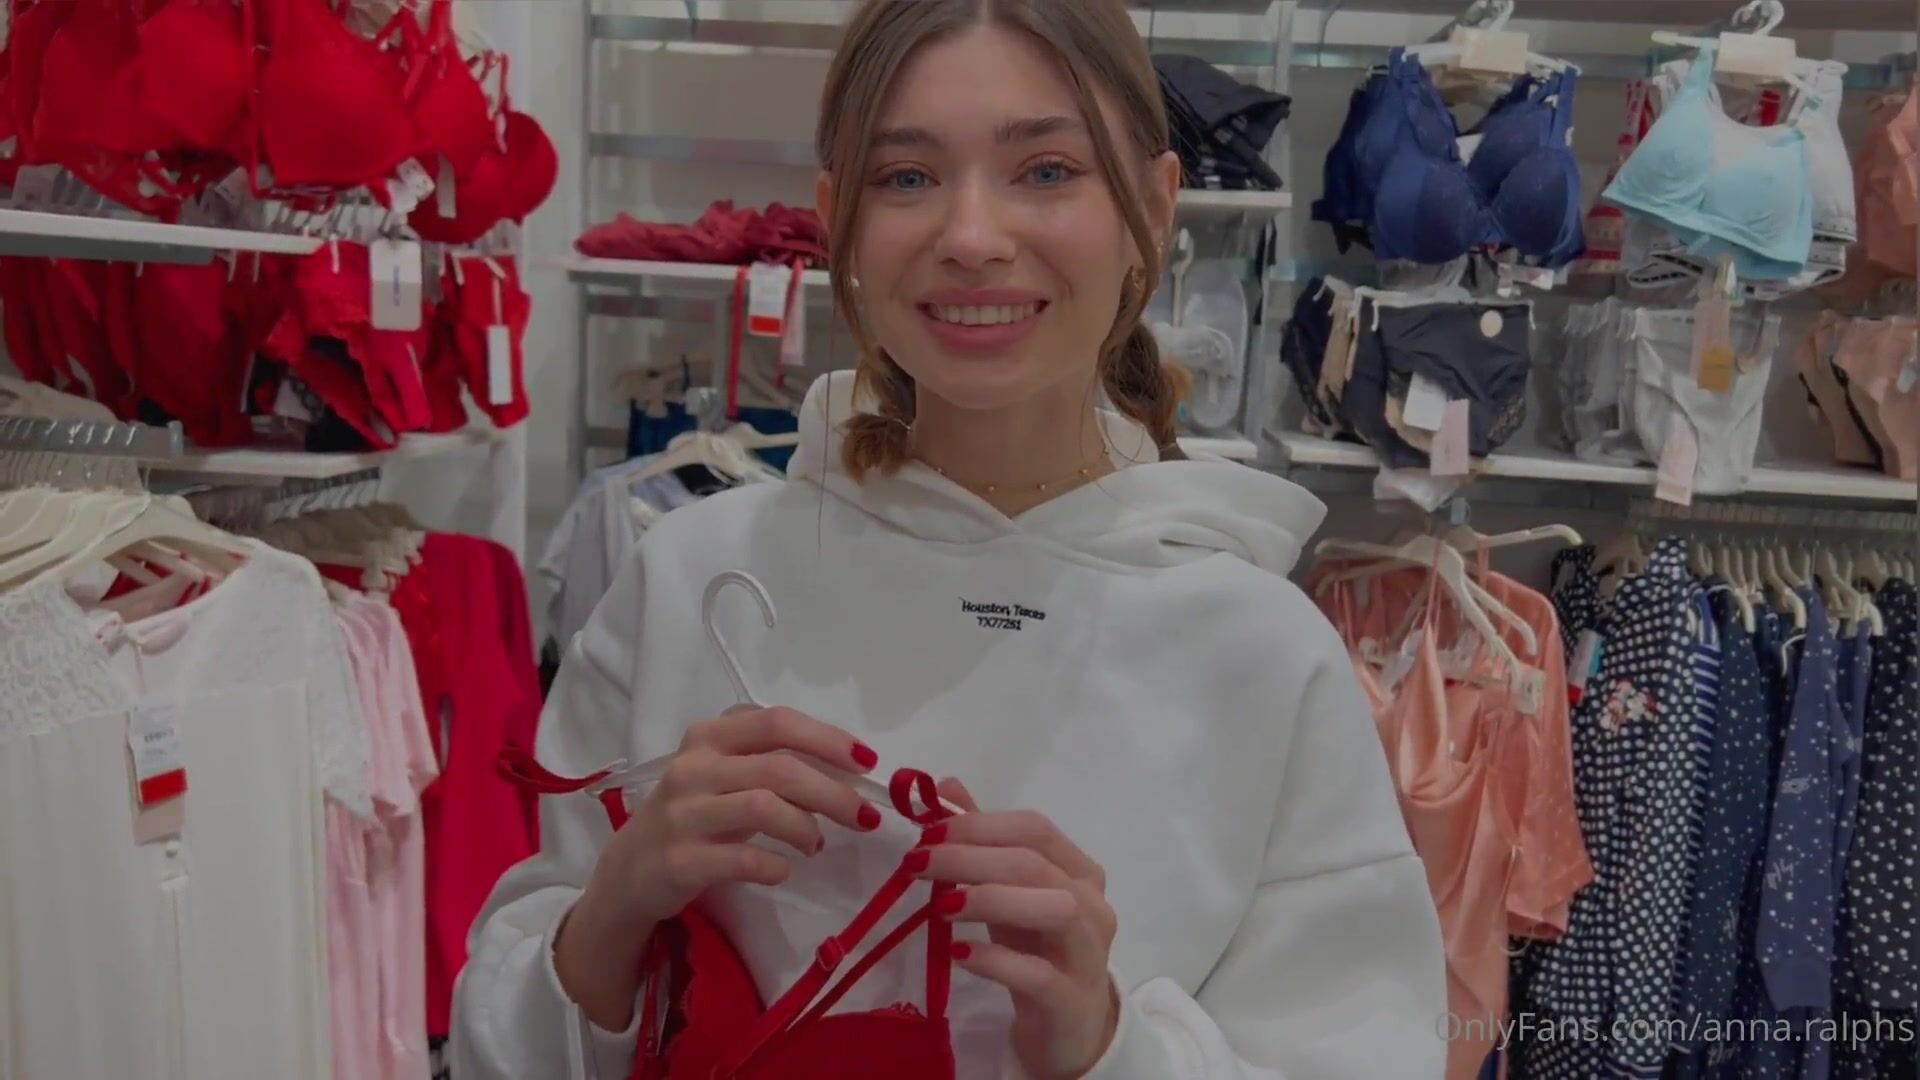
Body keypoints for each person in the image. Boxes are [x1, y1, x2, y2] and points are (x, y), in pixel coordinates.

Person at [450, 1, 1447, 1076]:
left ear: (1152, 209)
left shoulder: (1263, 654)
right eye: (907, 177)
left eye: (1047, 170)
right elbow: (498, 1043)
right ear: (837, 218)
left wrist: (1107, 1046)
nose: (971, 238)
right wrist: (616, 908)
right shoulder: (693, 581)